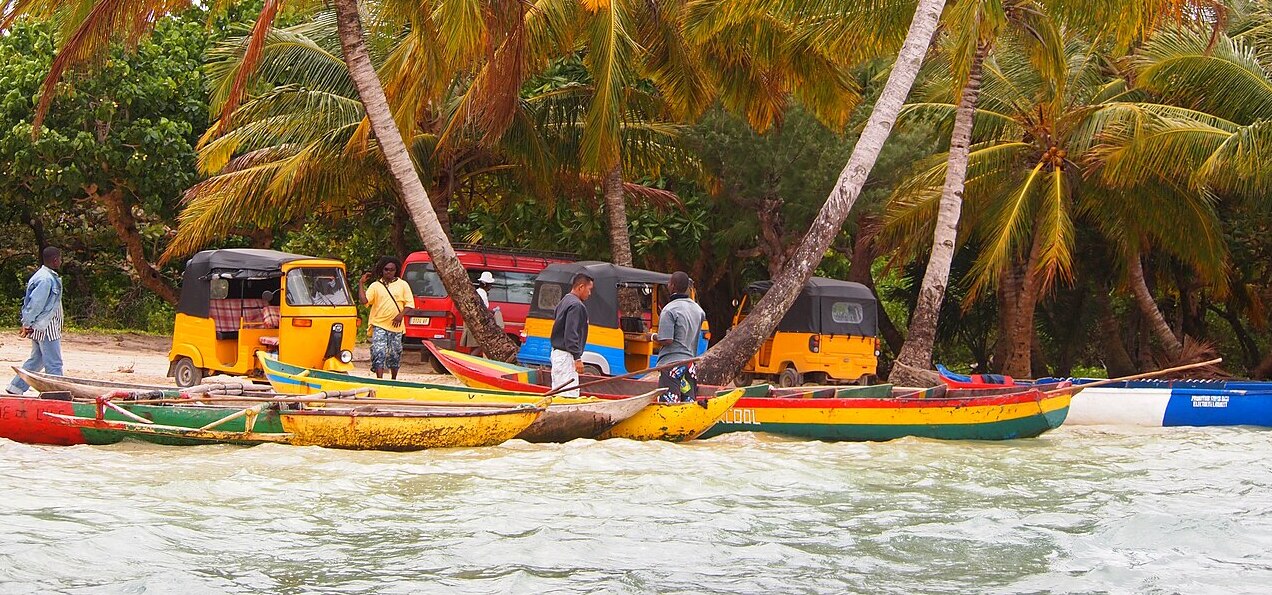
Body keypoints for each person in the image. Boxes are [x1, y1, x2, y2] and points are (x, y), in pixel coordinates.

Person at [6, 247, 65, 395]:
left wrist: (28, 323)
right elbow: (35, 304)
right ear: (55, 260)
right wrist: (26, 324)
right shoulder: (46, 279)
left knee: (37, 360)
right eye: (60, 259)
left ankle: (16, 387)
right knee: (54, 363)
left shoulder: (45, 275)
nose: (61, 261)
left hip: (42, 326)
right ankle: (55, 394)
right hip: (46, 327)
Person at [647, 271, 707, 404]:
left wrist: (652, 337)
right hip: (689, 363)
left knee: (670, 404)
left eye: (669, 283)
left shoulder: (669, 310)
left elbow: (667, 340)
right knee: (688, 403)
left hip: (672, 365)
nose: (668, 285)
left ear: (672, 286)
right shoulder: (698, 310)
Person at [359, 256, 412, 379]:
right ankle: (380, 379)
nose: (389, 272)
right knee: (379, 351)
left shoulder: (403, 285)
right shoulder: (375, 286)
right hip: (379, 325)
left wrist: (400, 315)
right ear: (381, 270)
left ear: (396, 270)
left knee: (395, 353)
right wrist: (361, 283)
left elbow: (409, 304)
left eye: (392, 270)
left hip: (396, 327)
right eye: (386, 269)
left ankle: (393, 379)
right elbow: (364, 301)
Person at [549, 272, 593, 397]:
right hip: (566, 356)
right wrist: (577, 357)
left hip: (557, 353)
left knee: (558, 391)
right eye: (589, 290)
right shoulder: (576, 305)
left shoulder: (565, 300)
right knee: (568, 394)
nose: (589, 294)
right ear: (581, 287)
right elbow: (571, 333)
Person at [462, 271, 503, 357]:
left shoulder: (479, 292)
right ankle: (470, 361)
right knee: (481, 345)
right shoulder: (481, 294)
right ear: (485, 284)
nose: (490, 287)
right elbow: (482, 310)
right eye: (489, 284)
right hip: (478, 323)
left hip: (474, 322)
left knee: (476, 345)